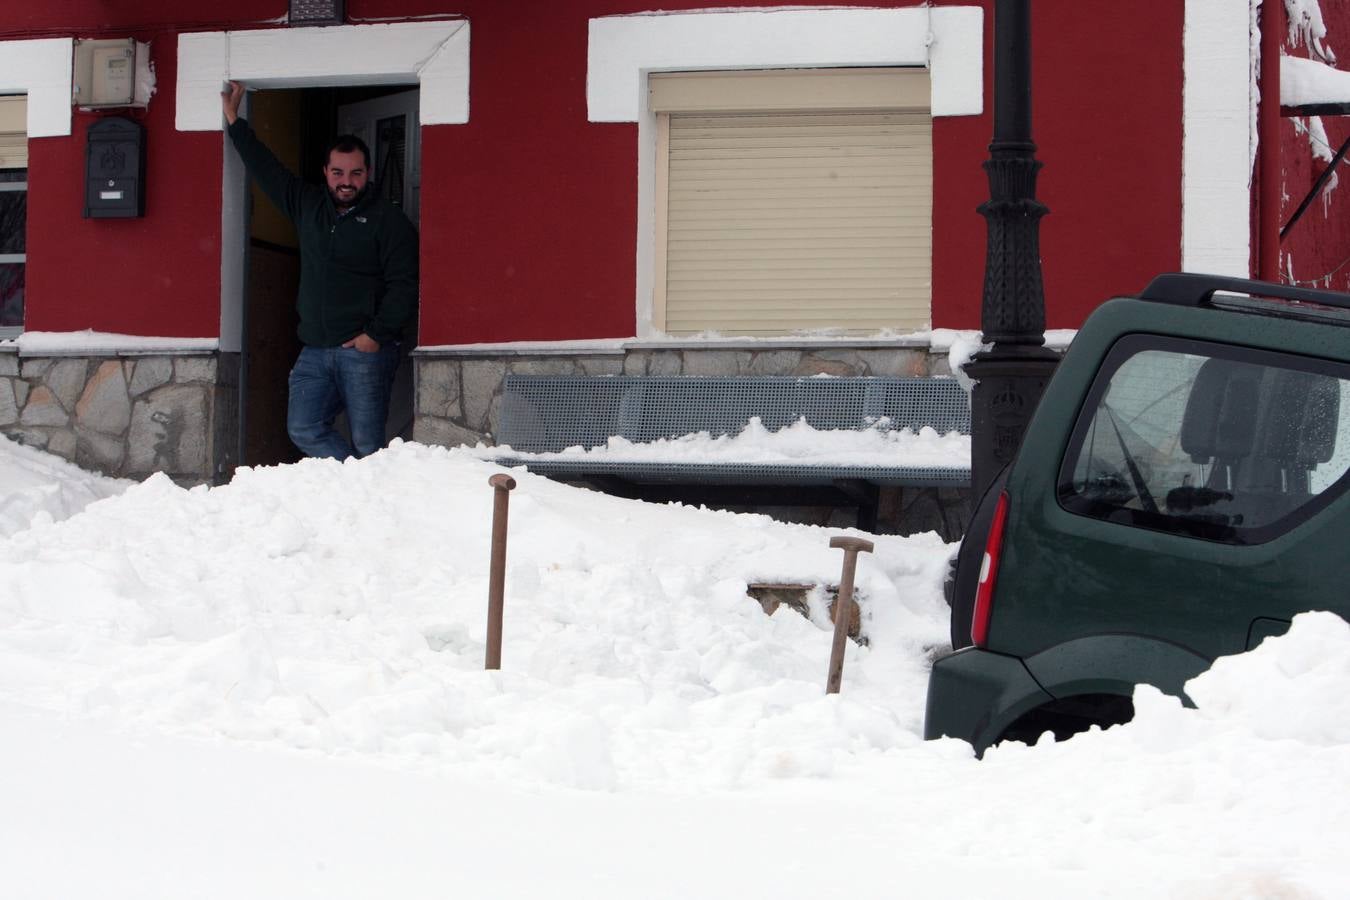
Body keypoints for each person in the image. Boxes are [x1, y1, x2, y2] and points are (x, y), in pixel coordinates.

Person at [221, 80, 418, 460]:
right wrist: (236, 122)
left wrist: (375, 335)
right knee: (303, 428)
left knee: (368, 444)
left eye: (356, 173)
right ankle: (352, 485)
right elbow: (267, 170)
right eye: (339, 173)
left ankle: (370, 502)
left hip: (365, 351)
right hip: (314, 348)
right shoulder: (308, 205)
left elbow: (405, 284)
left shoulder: (389, 221)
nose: (347, 182)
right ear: (325, 171)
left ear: (368, 172)